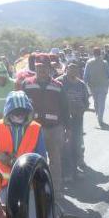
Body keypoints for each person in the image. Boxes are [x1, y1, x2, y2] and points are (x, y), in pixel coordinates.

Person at [0, 90, 47, 218]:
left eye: (22, 111)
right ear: (8, 111)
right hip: (2, 184)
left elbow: (42, 159)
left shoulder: (36, 128)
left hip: (28, 183)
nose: (19, 114)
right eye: (15, 111)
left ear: (28, 111)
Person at [22, 57, 69, 196]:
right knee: (35, 160)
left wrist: (68, 128)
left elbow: (65, 108)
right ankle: (38, 189)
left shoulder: (58, 85)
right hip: (33, 129)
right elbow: (22, 106)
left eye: (43, 67)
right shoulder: (27, 84)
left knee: (55, 160)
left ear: (49, 69)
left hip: (55, 128)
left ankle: (56, 190)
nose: (41, 70)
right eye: (38, 68)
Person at [57, 62, 90, 181]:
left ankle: (75, 171)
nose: (73, 71)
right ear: (66, 70)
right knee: (65, 147)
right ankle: (65, 173)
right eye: (71, 69)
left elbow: (86, 101)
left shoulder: (81, 84)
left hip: (77, 119)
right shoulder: (59, 82)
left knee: (76, 145)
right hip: (63, 119)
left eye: (75, 69)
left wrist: (82, 109)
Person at [83, 47, 109, 128]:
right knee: (101, 102)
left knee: (96, 102)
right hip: (103, 85)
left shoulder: (89, 62)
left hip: (93, 85)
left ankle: (98, 116)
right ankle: (100, 118)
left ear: (93, 53)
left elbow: (85, 75)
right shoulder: (104, 62)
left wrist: (84, 84)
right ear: (100, 53)